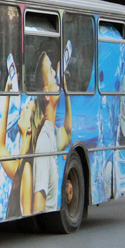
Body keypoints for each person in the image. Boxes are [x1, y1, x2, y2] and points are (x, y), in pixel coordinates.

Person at [0, 79, 44, 218]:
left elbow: (28, 215)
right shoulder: (20, 165)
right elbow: (0, 147)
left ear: (29, 128)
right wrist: (7, 95)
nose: (23, 107)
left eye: (27, 107)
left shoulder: (27, 170)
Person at [32, 51, 72, 213]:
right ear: (46, 92)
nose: (55, 72)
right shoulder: (44, 140)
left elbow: (68, 132)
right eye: (51, 71)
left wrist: (66, 87)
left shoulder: (52, 132)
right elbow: (38, 204)